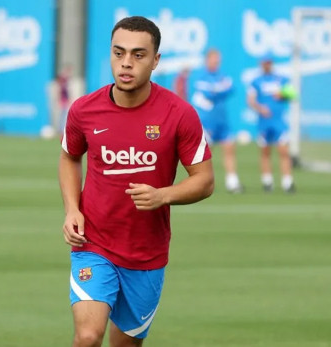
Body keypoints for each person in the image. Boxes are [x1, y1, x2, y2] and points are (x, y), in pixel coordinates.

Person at [58, 16, 214, 347]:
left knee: (125, 344)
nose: (126, 63)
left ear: (156, 60)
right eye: (119, 53)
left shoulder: (179, 114)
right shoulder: (84, 110)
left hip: (146, 253)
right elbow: (70, 157)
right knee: (87, 336)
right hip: (93, 243)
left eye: (138, 55)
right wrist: (72, 209)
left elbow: (205, 181)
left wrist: (163, 196)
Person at [190, 49, 242, 193]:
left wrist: (217, 91)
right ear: (207, 60)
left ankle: (232, 182)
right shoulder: (200, 77)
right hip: (207, 121)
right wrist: (220, 91)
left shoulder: (222, 75)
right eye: (214, 59)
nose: (216, 63)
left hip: (222, 120)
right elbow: (208, 94)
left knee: (230, 149)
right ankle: (200, 181)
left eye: (218, 60)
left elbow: (231, 88)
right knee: (206, 154)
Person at [246, 55, 295, 193]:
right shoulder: (256, 81)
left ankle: (287, 182)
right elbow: (250, 100)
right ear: (261, 63)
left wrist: (283, 94)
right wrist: (260, 108)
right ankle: (267, 182)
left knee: (284, 151)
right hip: (264, 123)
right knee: (265, 152)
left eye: (269, 62)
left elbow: (293, 94)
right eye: (265, 62)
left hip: (279, 121)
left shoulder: (281, 79)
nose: (267, 65)